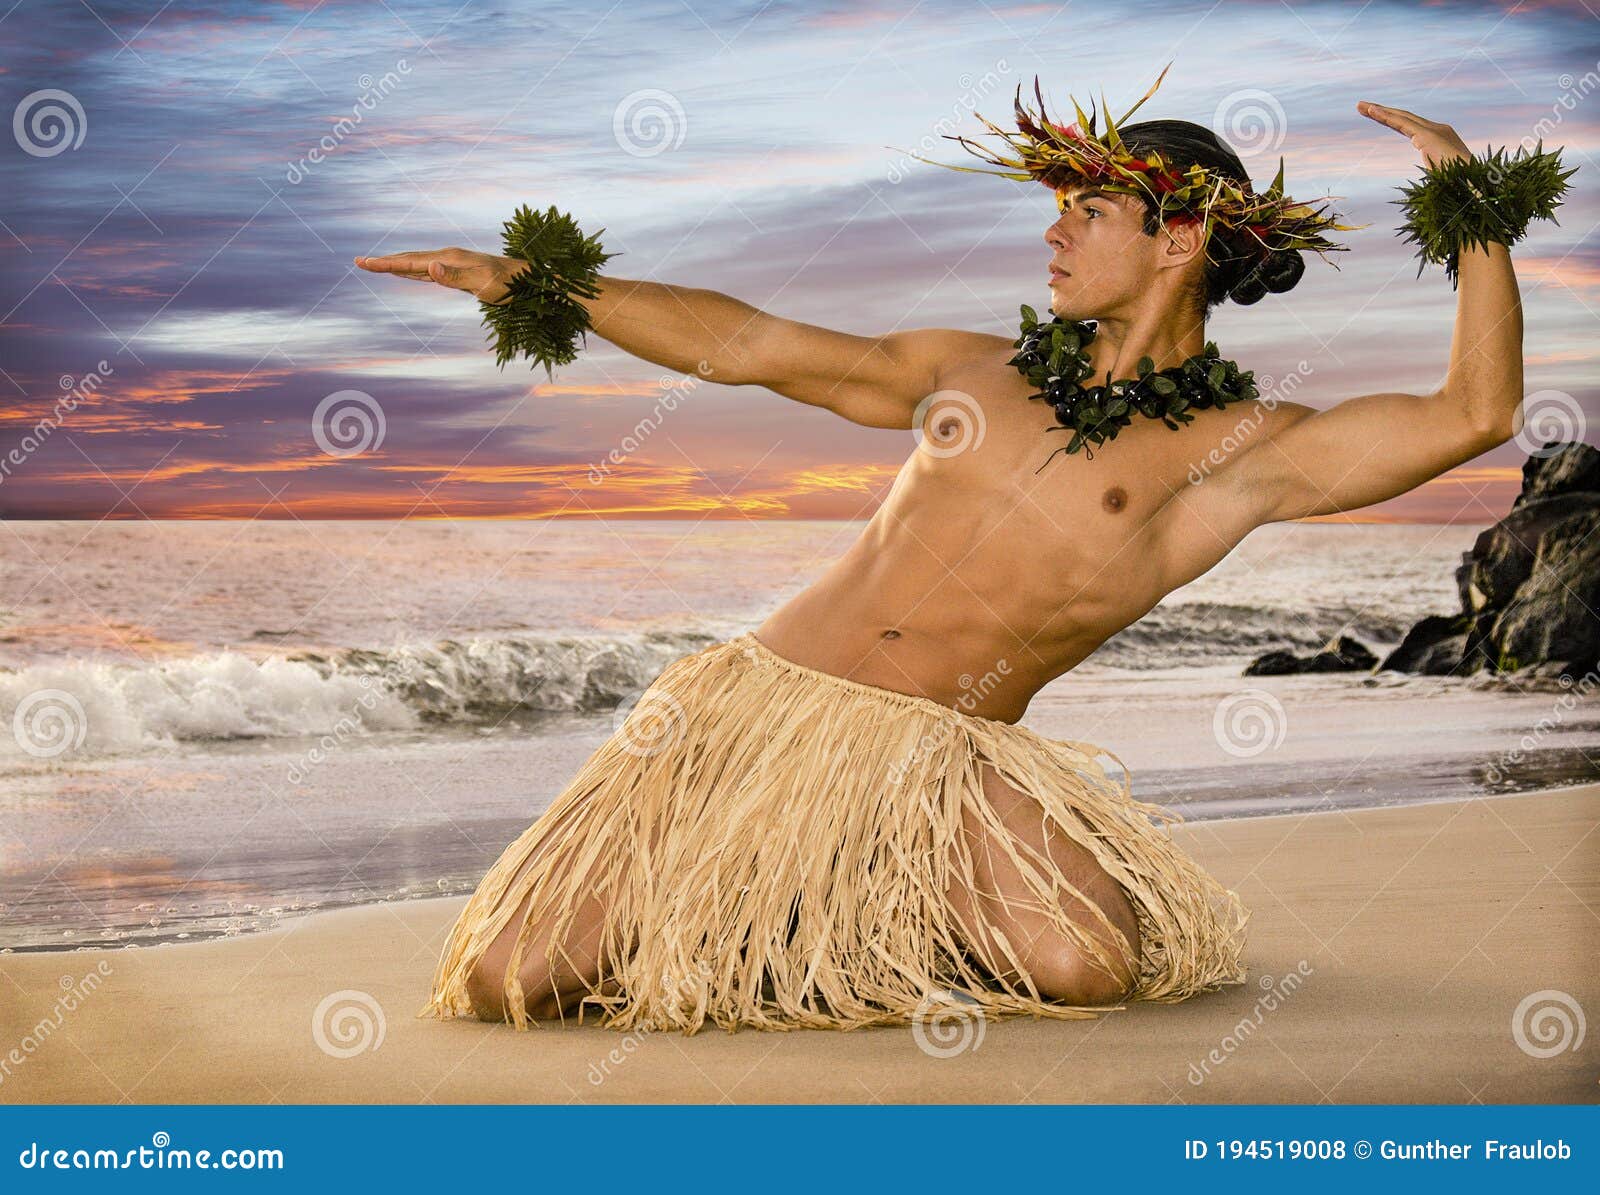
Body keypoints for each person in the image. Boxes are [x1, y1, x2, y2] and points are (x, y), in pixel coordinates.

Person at [355, 87, 1533, 1035]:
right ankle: (780, 905)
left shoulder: (1237, 455)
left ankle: (859, 902)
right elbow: (752, 343)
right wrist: (540, 284)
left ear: (1179, 236)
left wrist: (1466, 200)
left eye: (1087, 212)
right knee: (507, 982)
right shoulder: (974, 372)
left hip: (941, 761)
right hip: (753, 717)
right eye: (1056, 208)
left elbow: (1471, 413)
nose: (1052, 231)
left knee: (1085, 964)